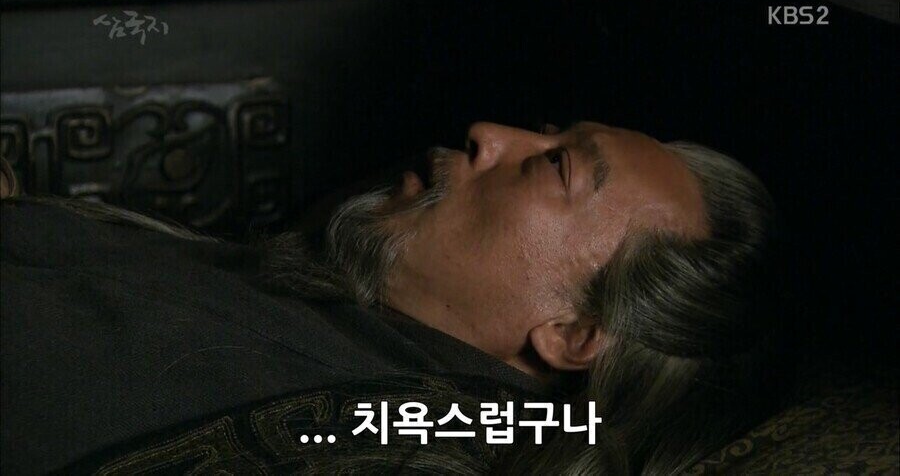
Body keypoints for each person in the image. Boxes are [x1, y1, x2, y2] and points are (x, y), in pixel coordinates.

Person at [0, 120, 781, 474]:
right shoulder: (350, 328)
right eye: (546, 136)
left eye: (555, 168)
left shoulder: (390, 443)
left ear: (574, 331)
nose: (488, 133)